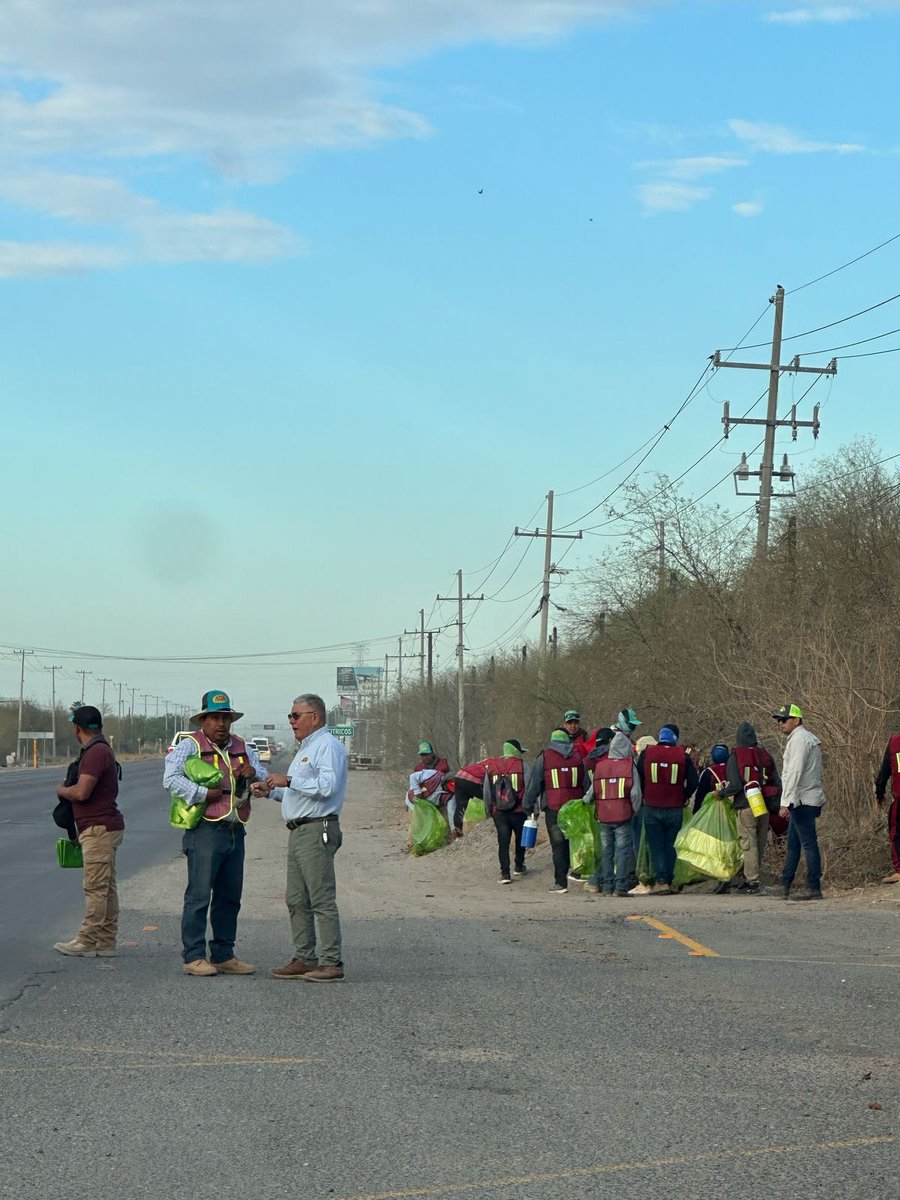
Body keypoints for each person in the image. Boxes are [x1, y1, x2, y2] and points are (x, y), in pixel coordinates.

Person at [164, 690, 264, 977]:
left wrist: (252, 773)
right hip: (206, 829)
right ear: (203, 720)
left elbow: (260, 771)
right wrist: (201, 793)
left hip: (236, 828)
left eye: (226, 718)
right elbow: (170, 779)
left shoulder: (242, 746)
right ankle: (194, 955)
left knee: (230, 896)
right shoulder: (190, 745)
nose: (221, 723)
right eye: (215, 718)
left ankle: (223, 954)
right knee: (198, 896)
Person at [263, 694, 349, 981]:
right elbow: (299, 793)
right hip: (299, 830)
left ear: (315, 716)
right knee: (296, 898)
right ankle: (304, 957)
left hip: (317, 829)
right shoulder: (306, 749)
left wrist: (287, 780)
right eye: (290, 716)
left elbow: (327, 786)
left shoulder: (327, 746)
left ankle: (331, 962)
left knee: (320, 897)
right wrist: (273, 791)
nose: (291, 721)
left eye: (296, 716)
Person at [53, 706, 125, 958]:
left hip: (98, 829)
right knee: (106, 887)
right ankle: (105, 941)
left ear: (77, 728)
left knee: (95, 887)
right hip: (105, 826)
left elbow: (82, 792)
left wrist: (62, 790)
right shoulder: (102, 749)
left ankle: (87, 940)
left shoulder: (95, 753)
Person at [720, 722, 782, 895]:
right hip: (764, 806)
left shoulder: (736, 756)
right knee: (760, 841)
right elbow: (776, 782)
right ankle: (755, 876)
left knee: (748, 843)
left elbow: (734, 785)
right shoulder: (765, 755)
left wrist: (722, 793)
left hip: (745, 806)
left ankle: (752, 881)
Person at [637, 724, 699, 894]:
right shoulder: (682, 756)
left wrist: (645, 793)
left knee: (656, 845)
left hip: (652, 807)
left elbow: (638, 776)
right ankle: (669, 880)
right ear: (675, 738)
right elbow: (694, 781)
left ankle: (661, 880)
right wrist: (684, 796)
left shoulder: (646, 753)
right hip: (674, 808)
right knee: (671, 844)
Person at [773, 703, 825, 900]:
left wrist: (785, 801)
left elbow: (794, 772)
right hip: (803, 798)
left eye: (784, 719)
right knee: (793, 844)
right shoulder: (804, 738)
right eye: (779, 720)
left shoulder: (799, 740)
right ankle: (785, 884)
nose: (780, 723)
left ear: (796, 720)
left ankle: (814, 887)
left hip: (803, 799)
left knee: (808, 844)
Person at [525, 728, 585, 893]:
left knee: (558, 844)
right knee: (575, 841)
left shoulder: (544, 757)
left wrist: (528, 804)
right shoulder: (578, 756)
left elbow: (535, 784)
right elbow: (585, 782)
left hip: (554, 807)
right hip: (575, 808)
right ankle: (579, 873)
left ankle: (560, 882)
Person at [584, 728, 641, 897]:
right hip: (623, 815)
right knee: (622, 851)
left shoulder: (600, 766)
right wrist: (634, 810)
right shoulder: (629, 766)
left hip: (604, 816)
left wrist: (586, 801)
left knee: (607, 851)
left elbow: (591, 792)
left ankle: (607, 886)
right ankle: (620, 886)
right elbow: (635, 793)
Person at [483, 739, 530, 884]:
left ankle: (505, 874)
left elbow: (486, 790)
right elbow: (529, 788)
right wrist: (531, 808)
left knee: (503, 841)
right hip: (519, 810)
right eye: (520, 751)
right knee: (520, 839)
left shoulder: (492, 766)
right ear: (516, 751)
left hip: (499, 812)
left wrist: (489, 810)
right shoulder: (523, 765)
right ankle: (519, 865)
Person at [873, 733, 900, 884]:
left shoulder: (895, 742)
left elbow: (885, 770)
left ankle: (899, 871)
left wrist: (879, 793)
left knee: (896, 833)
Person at [450, 757, 489, 835]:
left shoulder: (485, 762)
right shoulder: (495, 765)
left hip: (459, 775)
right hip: (471, 779)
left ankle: (458, 832)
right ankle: (490, 820)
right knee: (489, 799)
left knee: (460, 806)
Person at [694, 744, 729, 814]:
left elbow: (700, 795)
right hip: (730, 809)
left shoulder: (708, 772)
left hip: (711, 811)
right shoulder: (733, 770)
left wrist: (696, 812)